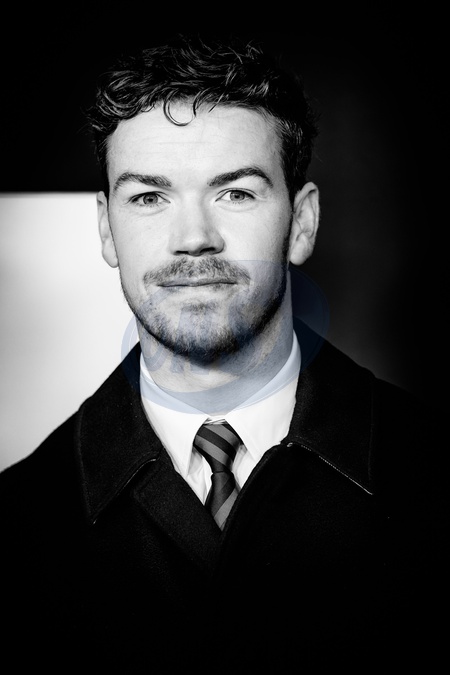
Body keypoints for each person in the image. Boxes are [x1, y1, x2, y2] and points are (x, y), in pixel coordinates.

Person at [0, 33, 447, 672]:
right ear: (107, 228)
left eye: (235, 192)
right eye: (148, 197)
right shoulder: (22, 523)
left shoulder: (437, 480)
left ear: (301, 223)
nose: (193, 238)